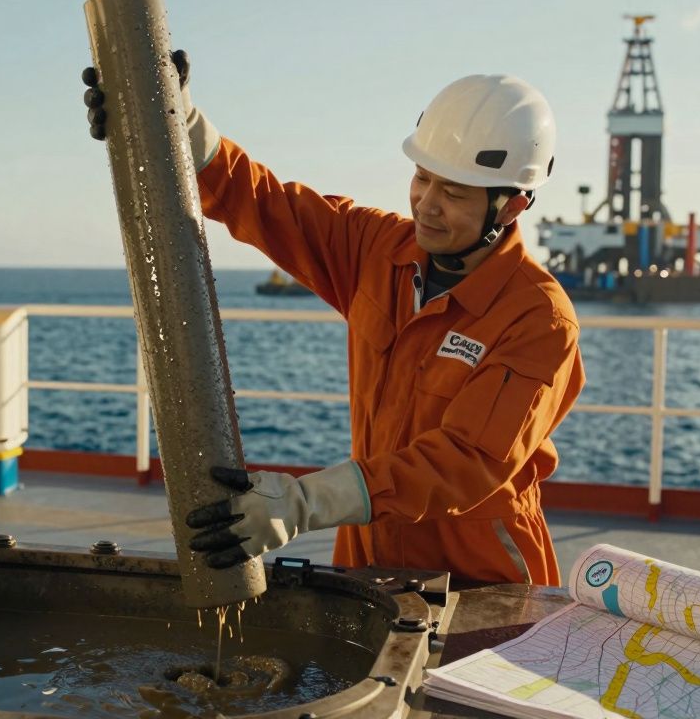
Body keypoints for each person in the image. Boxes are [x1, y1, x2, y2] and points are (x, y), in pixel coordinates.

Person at [84, 52, 585, 586]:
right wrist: (170, 119)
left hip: (480, 576)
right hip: (368, 552)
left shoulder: (539, 320)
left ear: (512, 206)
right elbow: (264, 202)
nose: (427, 205)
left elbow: (467, 462)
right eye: (422, 178)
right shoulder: (378, 249)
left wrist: (304, 502)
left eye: (454, 193)